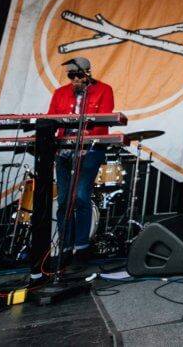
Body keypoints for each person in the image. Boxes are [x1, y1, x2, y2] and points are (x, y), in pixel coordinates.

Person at [48, 56, 114, 264]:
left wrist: (88, 143)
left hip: (91, 149)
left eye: (77, 75)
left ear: (87, 73)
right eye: (70, 76)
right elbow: (51, 119)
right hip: (64, 150)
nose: (74, 80)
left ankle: (82, 246)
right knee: (64, 200)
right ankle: (65, 247)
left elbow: (104, 120)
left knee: (82, 197)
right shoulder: (60, 93)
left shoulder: (104, 89)